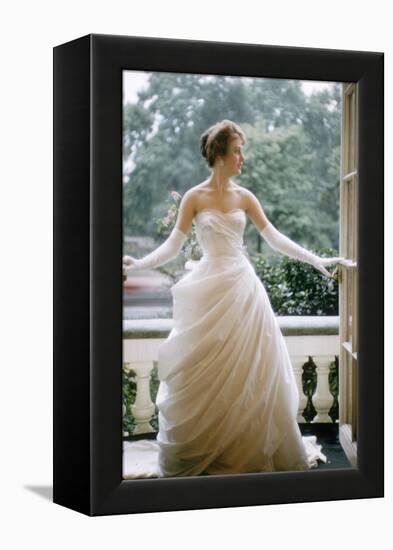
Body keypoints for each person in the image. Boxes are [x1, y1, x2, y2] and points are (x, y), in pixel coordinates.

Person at [122, 119, 344, 478]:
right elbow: (173, 246)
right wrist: (138, 263)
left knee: (252, 372)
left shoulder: (245, 197)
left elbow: (274, 237)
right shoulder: (194, 197)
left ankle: (246, 450)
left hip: (243, 291)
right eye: (238, 150)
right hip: (209, 291)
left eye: (242, 151)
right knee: (206, 372)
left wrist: (315, 259)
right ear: (221, 153)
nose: (243, 158)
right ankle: (209, 450)